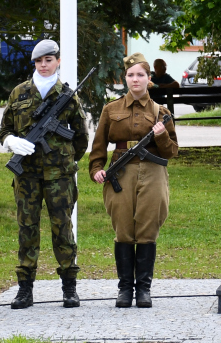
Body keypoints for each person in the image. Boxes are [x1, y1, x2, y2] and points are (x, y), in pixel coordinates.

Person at [0, 40, 88, 309]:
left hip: (59, 177)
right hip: (26, 175)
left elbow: (80, 137)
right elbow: (4, 130)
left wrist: (66, 160)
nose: (44, 65)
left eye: (49, 60)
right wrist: (11, 142)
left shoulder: (68, 97)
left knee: (63, 229)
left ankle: (69, 288)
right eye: (39, 61)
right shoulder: (19, 93)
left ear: (57, 61)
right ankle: (25, 289)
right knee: (27, 229)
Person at [89, 52, 177, 308]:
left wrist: (160, 136)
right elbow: (98, 147)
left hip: (153, 172)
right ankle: (125, 289)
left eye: (140, 75)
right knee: (124, 230)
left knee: (148, 229)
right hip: (121, 172)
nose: (135, 79)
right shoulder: (111, 109)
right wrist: (96, 168)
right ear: (124, 78)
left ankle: (144, 290)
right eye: (130, 75)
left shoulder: (162, 112)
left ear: (149, 79)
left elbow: (172, 151)